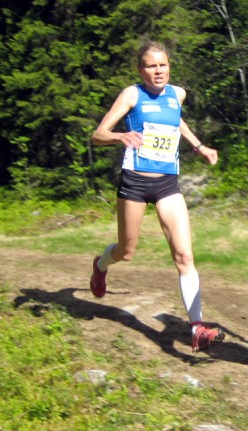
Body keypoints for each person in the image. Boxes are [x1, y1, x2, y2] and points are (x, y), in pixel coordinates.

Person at [89, 41, 224, 352]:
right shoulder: (132, 94)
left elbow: (175, 120)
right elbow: (98, 134)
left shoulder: (177, 94)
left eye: (162, 65)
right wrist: (119, 136)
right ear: (141, 70)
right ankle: (100, 265)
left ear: (169, 67)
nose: (158, 71)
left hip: (167, 184)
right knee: (126, 250)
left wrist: (199, 146)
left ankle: (197, 327)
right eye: (151, 66)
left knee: (184, 256)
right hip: (135, 182)